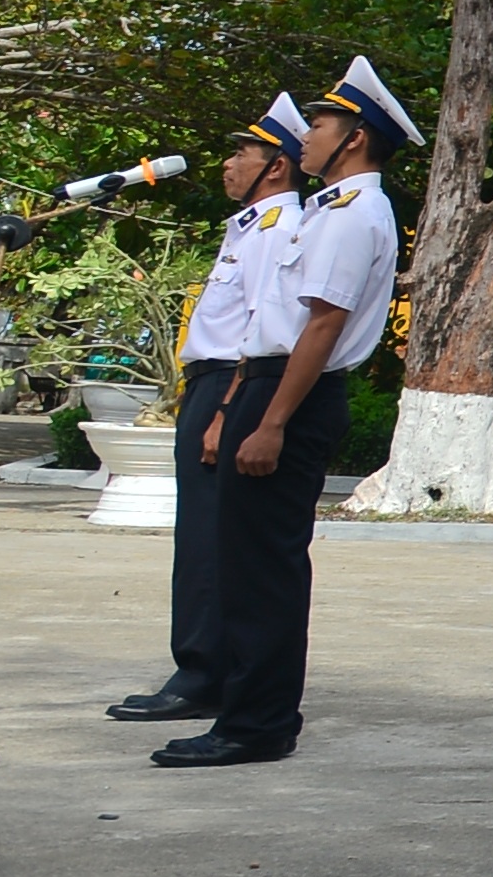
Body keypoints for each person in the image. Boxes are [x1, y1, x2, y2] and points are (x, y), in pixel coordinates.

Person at [167, 56, 411, 768]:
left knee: (264, 573)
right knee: (244, 566)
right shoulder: (330, 209)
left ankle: (257, 723)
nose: (309, 136)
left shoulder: (354, 213)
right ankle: (246, 713)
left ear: (356, 138)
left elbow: (322, 328)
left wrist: (271, 420)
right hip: (269, 383)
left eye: (325, 123)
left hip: (293, 395)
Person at [117, 94, 307, 728]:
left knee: (209, 540)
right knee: (201, 535)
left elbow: (261, 327)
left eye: (241, 154)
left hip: (230, 386)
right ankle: (204, 667)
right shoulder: (250, 224)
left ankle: (204, 671)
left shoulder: (279, 228)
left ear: (275, 166)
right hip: (212, 384)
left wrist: (227, 412)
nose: (228, 165)